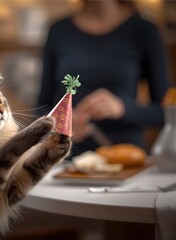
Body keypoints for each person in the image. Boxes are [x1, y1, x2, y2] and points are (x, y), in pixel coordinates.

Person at [36, 0, 170, 159]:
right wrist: (60, 122)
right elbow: (40, 109)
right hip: (66, 160)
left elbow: (166, 112)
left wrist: (124, 109)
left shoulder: (144, 30)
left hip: (126, 161)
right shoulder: (58, 31)